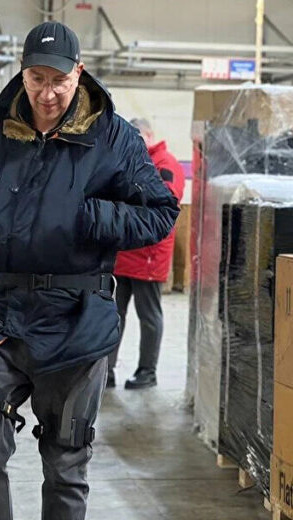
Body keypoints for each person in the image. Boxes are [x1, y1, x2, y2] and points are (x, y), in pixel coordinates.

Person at [0, 21, 179, 520]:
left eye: (59, 81)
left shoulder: (114, 138)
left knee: (66, 460)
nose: (46, 94)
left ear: (79, 73)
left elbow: (160, 213)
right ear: (22, 72)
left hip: (78, 318)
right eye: (36, 79)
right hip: (3, 315)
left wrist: (88, 216)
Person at [107, 119, 185, 390]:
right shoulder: (128, 160)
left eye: (140, 136)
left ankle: (147, 371)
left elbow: (166, 201)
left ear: (150, 135)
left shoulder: (165, 163)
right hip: (124, 252)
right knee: (113, 315)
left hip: (149, 255)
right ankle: (106, 370)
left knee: (148, 316)